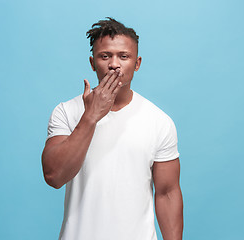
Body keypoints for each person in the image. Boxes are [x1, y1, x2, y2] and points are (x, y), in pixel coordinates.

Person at [42, 17, 183, 240]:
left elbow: (167, 193)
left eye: (123, 56)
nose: (114, 64)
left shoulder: (159, 121)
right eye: (105, 56)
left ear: (137, 63)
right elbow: (54, 176)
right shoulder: (66, 112)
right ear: (92, 62)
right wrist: (90, 117)